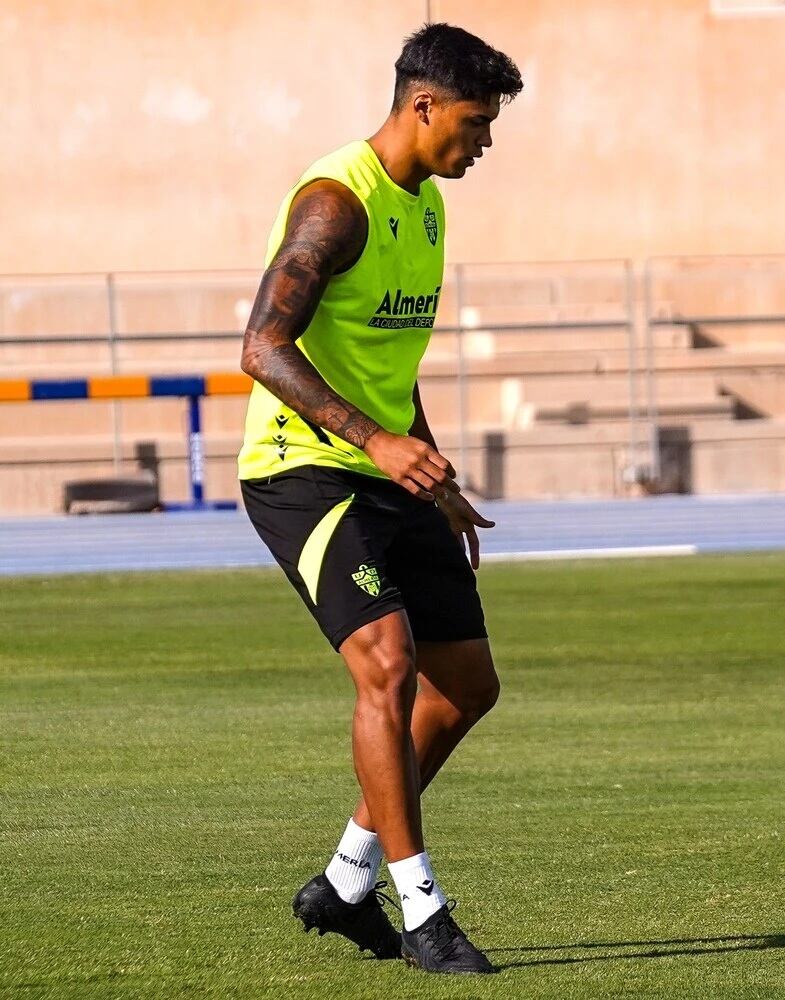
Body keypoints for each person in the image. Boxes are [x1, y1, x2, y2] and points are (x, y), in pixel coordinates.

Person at [236, 23, 521, 975]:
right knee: (387, 666)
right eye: (476, 124)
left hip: (390, 471)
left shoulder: (429, 207)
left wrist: (430, 472)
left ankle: (347, 878)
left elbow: (388, 367)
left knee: (468, 685)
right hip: (301, 472)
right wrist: (375, 442)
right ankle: (423, 910)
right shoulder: (334, 203)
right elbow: (262, 349)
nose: (483, 142)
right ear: (423, 104)